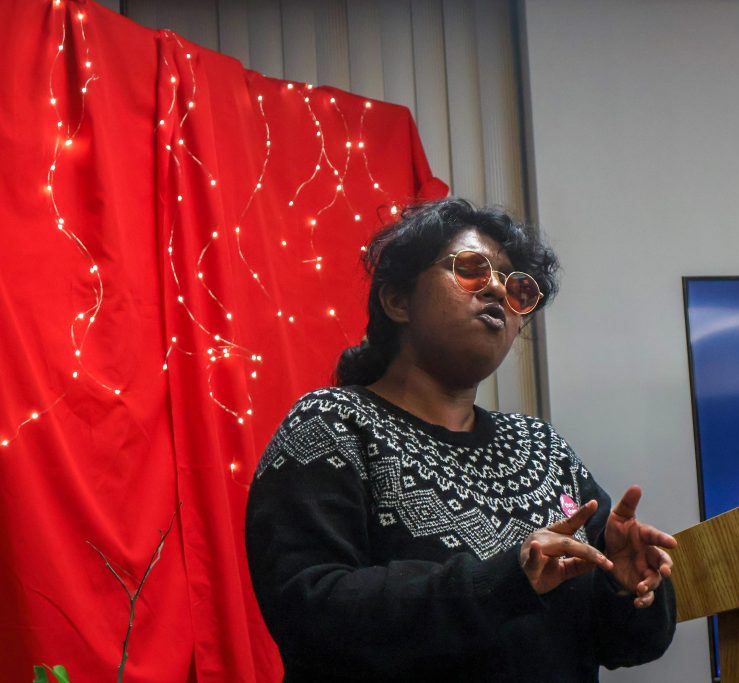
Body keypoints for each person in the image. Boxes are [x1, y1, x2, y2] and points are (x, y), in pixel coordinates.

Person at [245, 198, 678, 681]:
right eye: (471, 269)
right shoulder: (331, 424)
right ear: (398, 301)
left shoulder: (542, 449)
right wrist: (501, 581)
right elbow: (310, 612)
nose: (496, 288)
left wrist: (628, 587)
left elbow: (624, 645)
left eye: (517, 289)